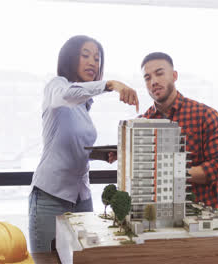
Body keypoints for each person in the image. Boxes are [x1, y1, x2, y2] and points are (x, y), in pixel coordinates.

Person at [29, 35, 138, 252]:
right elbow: (67, 95)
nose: (92, 62)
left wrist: (98, 154)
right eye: (85, 55)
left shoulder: (84, 105)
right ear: (70, 58)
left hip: (82, 197)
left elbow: (70, 146)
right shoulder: (57, 86)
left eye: (97, 59)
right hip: (51, 196)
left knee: (85, 258)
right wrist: (110, 84)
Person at [139, 52, 218, 208]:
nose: (153, 82)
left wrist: (175, 173)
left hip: (202, 216)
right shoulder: (142, 123)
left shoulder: (205, 115)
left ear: (174, 76)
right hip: (155, 217)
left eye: (159, 74)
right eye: (147, 78)